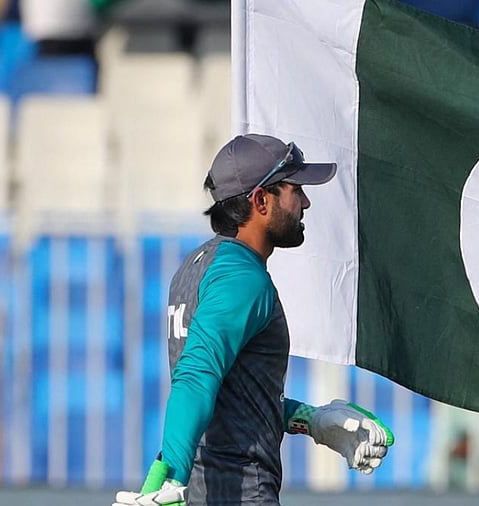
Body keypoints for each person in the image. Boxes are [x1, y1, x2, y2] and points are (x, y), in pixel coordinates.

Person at [113, 134, 395, 506]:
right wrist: (166, 480)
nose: (306, 202)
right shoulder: (243, 279)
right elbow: (197, 376)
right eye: (295, 189)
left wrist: (311, 420)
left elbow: (231, 398)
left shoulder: (195, 268)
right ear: (261, 200)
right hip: (240, 492)